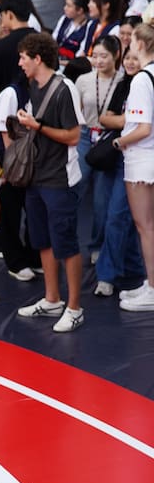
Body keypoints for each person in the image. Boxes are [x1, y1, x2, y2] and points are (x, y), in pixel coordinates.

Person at [13, 32, 88, 332]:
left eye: (23, 57)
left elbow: (73, 136)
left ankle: (75, 307)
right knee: (42, 240)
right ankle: (52, 298)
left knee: (66, 243)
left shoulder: (63, 89)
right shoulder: (35, 85)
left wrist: (36, 125)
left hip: (59, 179)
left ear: (37, 58)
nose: (19, 63)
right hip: (37, 177)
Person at [93, 41, 144, 297]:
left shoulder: (146, 83)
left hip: (136, 158)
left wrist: (129, 122)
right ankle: (136, 268)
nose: (130, 63)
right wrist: (128, 119)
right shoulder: (125, 84)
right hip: (115, 155)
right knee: (113, 214)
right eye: (127, 58)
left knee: (118, 216)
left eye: (136, 58)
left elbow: (144, 126)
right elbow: (105, 117)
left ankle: (107, 276)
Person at [114, 23, 154, 312]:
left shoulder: (141, 80)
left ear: (139, 43)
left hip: (141, 160)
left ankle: (152, 289)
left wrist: (119, 142)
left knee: (145, 227)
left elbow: (142, 128)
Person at [0, 69, 42, 281]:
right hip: (13, 164)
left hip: (34, 161)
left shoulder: (42, 89)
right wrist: (14, 164)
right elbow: (4, 132)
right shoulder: (11, 94)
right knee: (10, 212)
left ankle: (33, 255)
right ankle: (14, 261)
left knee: (33, 211)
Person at [76, 34, 121, 267]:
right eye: (95, 56)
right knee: (75, 188)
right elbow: (76, 112)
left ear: (116, 56)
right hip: (85, 136)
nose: (99, 61)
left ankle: (96, 246)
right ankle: (69, 244)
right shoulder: (83, 80)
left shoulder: (124, 80)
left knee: (102, 200)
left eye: (104, 56)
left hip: (107, 139)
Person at [0, 0, 37, 98]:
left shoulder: (0, 46)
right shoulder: (43, 41)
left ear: (9, 14)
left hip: (7, 108)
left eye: (2, 16)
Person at [54, 0, 95, 65]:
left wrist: (59, 63)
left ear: (80, 10)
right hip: (57, 60)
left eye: (68, 6)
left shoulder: (89, 27)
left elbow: (80, 58)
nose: (64, 8)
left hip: (72, 66)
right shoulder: (64, 19)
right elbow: (53, 40)